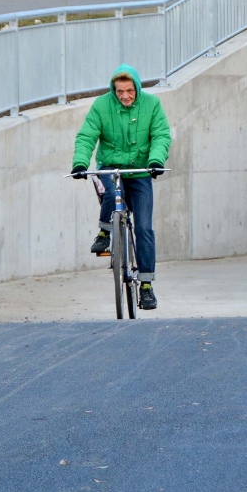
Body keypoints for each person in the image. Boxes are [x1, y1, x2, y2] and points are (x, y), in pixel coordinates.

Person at [70, 64, 171, 310]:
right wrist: (81, 163)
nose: (125, 96)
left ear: (136, 88)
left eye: (129, 91)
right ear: (113, 90)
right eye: (119, 91)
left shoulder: (152, 105)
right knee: (113, 193)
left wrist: (156, 161)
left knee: (145, 228)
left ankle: (146, 286)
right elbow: (86, 136)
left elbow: (161, 135)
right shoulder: (102, 105)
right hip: (110, 166)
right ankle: (105, 232)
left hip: (139, 170)